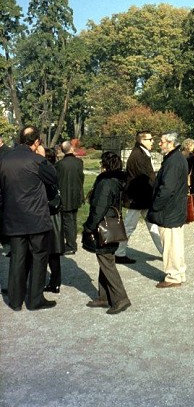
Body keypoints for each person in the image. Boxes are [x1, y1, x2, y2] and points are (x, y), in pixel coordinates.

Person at [0, 126, 58, 310]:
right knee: (39, 258)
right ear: (36, 141)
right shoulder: (37, 161)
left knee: (17, 258)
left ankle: (15, 300)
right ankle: (35, 299)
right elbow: (53, 178)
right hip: (36, 218)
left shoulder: (4, 160)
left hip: (13, 217)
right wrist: (42, 156)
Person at [82, 151, 131, 314]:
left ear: (105, 165)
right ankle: (104, 296)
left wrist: (89, 226)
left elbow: (99, 208)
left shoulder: (106, 182)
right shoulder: (118, 180)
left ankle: (121, 298)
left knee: (107, 262)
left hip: (103, 227)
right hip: (112, 225)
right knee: (105, 260)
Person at [147, 132, 188, 288]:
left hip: (169, 209)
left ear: (171, 143)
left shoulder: (173, 161)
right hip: (175, 208)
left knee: (170, 245)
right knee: (176, 244)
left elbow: (167, 188)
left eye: (162, 141)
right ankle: (179, 272)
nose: (159, 144)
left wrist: (156, 205)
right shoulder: (177, 158)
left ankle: (173, 276)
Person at [115, 131, 162, 264]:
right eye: (150, 139)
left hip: (142, 197)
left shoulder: (142, 153)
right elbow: (147, 178)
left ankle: (165, 252)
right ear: (142, 140)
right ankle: (119, 253)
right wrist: (157, 188)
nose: (152, 141)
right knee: (130, 226)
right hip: (137, 198)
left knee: (153, 226)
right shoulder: (138, 156)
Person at [55, 140, 85, 254]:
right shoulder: (79, 162)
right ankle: (72, 242)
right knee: (73, 219)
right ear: (71, 148)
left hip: (65, 195)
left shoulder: (59, 164)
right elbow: (81, 178)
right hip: (76, 194)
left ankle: (71, 245)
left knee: (67, 220)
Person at [44, 147, 65, 293]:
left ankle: (53, 281)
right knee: (54, 252)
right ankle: (56, 281)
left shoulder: (47, 173)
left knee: (48, 251)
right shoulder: (55, 170)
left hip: (49, 213)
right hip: (55, 214)